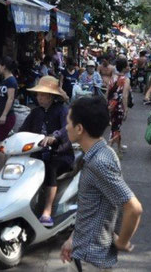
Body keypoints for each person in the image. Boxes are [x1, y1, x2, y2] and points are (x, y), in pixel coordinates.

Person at [60, 96, 142, 271]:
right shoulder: (103, 153)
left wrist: (122, 241)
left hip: (92, 259)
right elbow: (92, 208)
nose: (66, 127)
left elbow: (133, 208)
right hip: (83, 252)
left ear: (79, 128)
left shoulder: (99, 162)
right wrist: (73, 239)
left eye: (68, 122)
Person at [19, 76, 73, 227]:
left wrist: (54, 137)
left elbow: (66, 128)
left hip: (60, 155)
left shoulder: (62, 110)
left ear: (51, 96)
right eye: (38, 94)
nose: (39, 97)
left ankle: (47, 211)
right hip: (38, 153)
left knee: (49, 168)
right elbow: (23, 130)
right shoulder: (35, 112)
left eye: (42, 94)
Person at [0, 56, 18, 179]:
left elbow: (10, 99)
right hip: (2, 115)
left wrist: (4, 115)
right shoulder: (5, 80)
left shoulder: (11, 81)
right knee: (2, 143)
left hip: (7, 116)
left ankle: (0, 171)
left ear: (4, 66)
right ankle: (4, 169)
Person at [106, 59, 131, 158]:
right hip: (119, 105)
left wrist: (107, 104)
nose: (129, 67)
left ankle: (119, 147)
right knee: (116, 127)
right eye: (128, 65)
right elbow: (124, 96)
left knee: (115, 126)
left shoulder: (113, 77)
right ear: (124, 68)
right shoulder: (126, 79)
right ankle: (110, 148)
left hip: (111, 105)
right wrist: (126, 109)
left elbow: (107, 92)